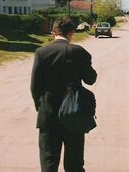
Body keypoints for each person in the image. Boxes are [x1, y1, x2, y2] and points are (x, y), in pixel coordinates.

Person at [31, 17, 97, 172]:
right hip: (74, 114)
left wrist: (41, 107)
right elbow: (91, 79)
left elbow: (35, 86)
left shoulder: (41, 52)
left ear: (53, 32)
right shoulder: (78, 51)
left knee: (49, 162)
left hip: (48, 114)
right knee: (74, 164)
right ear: (71, 33)